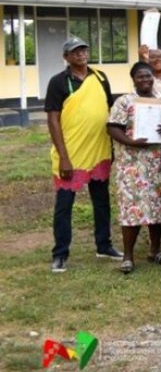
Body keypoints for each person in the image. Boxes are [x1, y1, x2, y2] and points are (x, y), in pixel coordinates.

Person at [46, 36, 120, 272]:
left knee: (101, 201)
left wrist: (112, 146)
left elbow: (110, 110)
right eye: (75, 51)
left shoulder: (100, 77)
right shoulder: (58, 82)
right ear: (66, 57)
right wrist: (64, 156)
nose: (81, 54)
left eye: (83, 50)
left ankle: (104, 245)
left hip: (98, 150)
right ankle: (60, 254)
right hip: (71, 154)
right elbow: (53, 119)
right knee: (64, 205)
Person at [106, 62, 161, 274]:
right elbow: (112, 127)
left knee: (156, 208)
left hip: (157, 163)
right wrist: (131, 142)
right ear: (133, 79)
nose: (145, 80)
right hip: (132, 165)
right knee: (132, 210)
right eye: (140, 77)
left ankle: (155, 250)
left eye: (148, 76)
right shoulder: (124, 101)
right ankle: (128, 256)